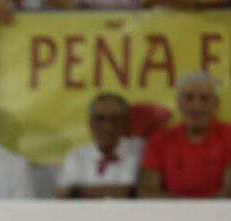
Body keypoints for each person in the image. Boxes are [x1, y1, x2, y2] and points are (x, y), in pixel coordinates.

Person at [138, 70, 231, 199]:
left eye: (204, 99)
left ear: (215, 104)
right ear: (179, 104)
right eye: (189, 98)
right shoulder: (159, 139)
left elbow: (229, 191)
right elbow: (147, 192)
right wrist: (188, 209)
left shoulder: (228, 135)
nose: (196, 106)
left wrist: (199, 211)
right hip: (170, 216)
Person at [54, 93, 143, 199]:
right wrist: (126, 192)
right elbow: (63, 195)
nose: (108, 126)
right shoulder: (77, 156)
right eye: (100, 118)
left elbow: (144, 193)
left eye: (115, 118)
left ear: (126, 122)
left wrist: (81, 191)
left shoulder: (141, 151)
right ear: (90, 124)